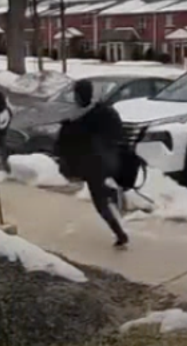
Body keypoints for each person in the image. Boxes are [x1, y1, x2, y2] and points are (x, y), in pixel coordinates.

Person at [56, 79, 129, 248]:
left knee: (100, 203)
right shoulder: (103, 111)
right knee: (102, 197)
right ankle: (112, 195)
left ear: (79, 96)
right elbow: (118, 131)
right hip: (108, 161)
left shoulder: (76, 119)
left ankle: (120, 233)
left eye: (76, 94)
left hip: (93, 166)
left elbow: (65, 143)